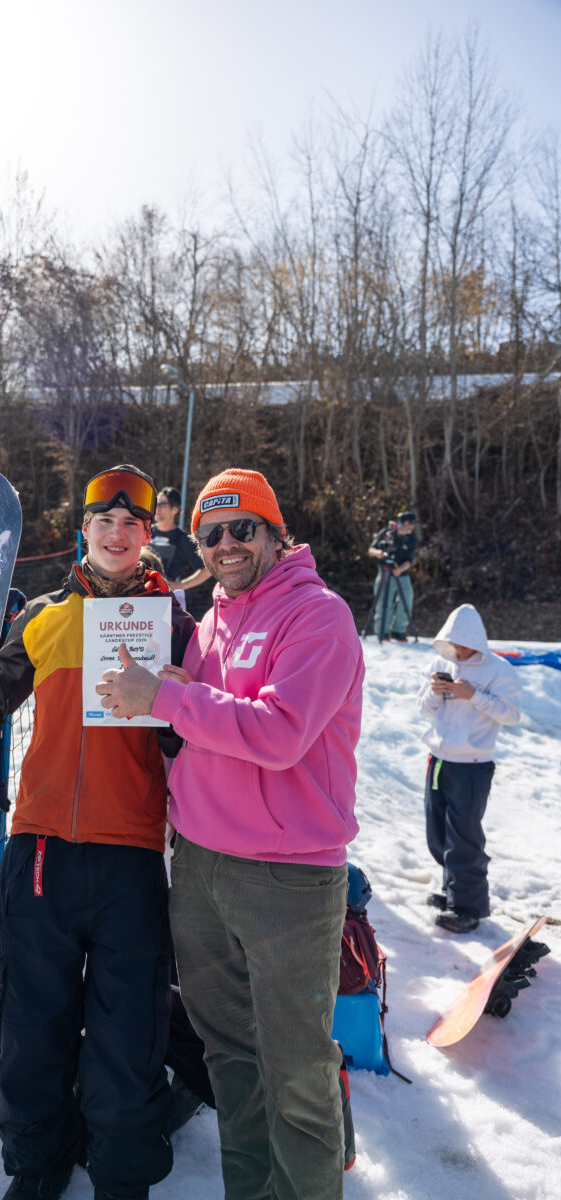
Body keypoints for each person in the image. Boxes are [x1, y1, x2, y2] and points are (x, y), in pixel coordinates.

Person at [0, 464, 196, 1200]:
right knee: (30, 1025)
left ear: (147, 536)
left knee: (127, 1034)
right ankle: (38, 1163)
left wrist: (181, 705)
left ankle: (121, 1176)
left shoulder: (177, 627)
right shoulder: (46, 616)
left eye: (132, 524)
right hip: (41, 849)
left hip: (130, 855)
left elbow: (197, 743)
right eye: (105, 522)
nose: (118, 535)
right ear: (84, 530)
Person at [96, 467, 365, 1200]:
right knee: (230, 1059)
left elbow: (280, 733)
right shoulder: (211, 621)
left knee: (297, 1070)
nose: (225, 545)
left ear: (275, 533)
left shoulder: (318, 615)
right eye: (210, 534)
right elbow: (197, 725)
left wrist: (170, 698)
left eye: (242, 528)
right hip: (201, 864)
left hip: (287, 877)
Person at [417, 603, 521, 934]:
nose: (458, 651)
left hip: (472, 766)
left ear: (477, 641)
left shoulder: (499, 669)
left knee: (463, 836)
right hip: (438, 759)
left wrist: (473, 695)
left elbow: (511, 714)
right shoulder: (440, 663)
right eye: (453, 644)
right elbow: (424, 710)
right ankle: (453, 891)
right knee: (438, 833)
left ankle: (468, 907)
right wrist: (435, 692)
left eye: (464, 645)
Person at [150, 486, 211, 616]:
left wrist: (182, 585)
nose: (157, 508)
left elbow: (208, 568)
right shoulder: (145, 532)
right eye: (156, 504)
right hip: (137, 597)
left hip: (164, 604)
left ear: (175, 509)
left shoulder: (183, 539)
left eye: (162, 504)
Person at [367, 511, 417, 640]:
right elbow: (371, 550)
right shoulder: (386, 533)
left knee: (406, 602)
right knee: (383, 604)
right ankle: (382, 632)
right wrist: (379, 553)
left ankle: (398, 631)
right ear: (404, 523)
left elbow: (409, 561)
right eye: (410, 523)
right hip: (385, 573)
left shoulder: (411, 539)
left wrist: (400, 569)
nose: (413, 526)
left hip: (402, 575)